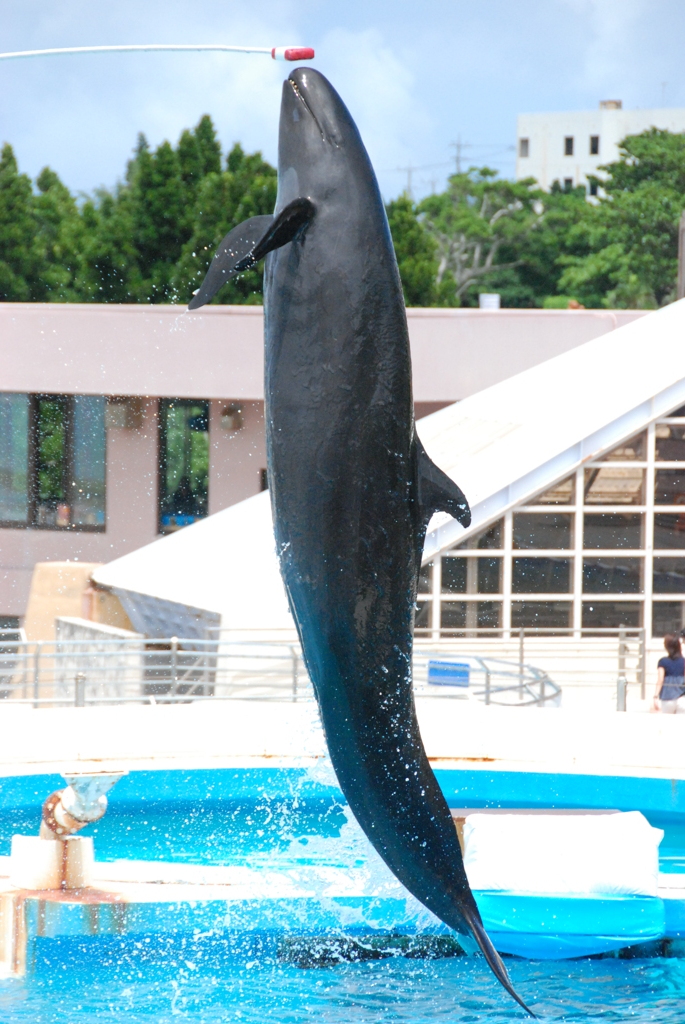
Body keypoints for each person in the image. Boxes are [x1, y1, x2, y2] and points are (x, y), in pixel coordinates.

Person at [653, 634, 685, 713]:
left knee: (667, 723)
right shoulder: (683, 661)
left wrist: (655, 696)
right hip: (682, 697)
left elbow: (660, 680)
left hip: (667, 697)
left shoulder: (663, 661)